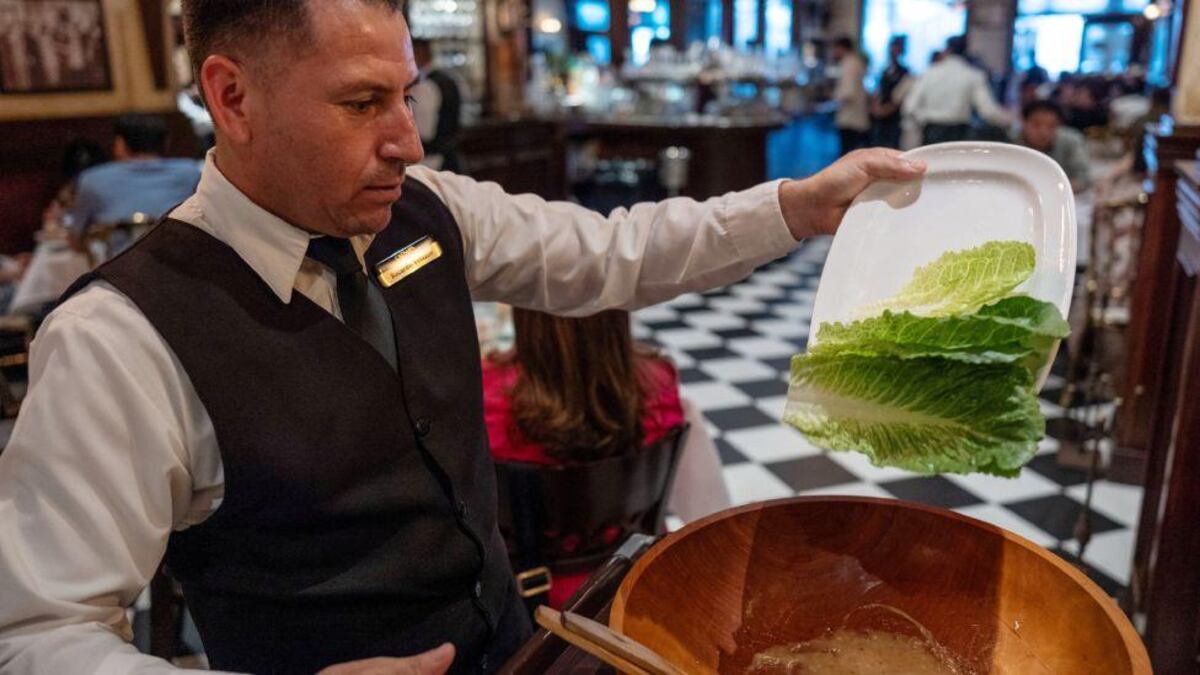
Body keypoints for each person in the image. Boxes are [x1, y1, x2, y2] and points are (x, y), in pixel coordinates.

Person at [0, 1, 925, 673]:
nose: (408, 139)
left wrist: (793, 207)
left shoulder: (428, 207)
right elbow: (38, 632)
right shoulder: (119, 337)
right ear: (232, 97)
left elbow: (615, 252)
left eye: (406, 94)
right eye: (363, 103)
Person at [482, 309, 731, 608]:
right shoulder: (658, 381)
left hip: (527, 596)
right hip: (638, 577)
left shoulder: (484, 392)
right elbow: (704, 505)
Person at [67, 113, 201, 234]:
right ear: (166, 142)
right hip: (179, 250)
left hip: (119, 253)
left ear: (120, 144)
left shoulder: (92, 179)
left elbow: (77, 234)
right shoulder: (191, 172)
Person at [902, 35, 1010, 145]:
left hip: (931, 131)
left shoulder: (929, 73)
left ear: (947, 50)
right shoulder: (973, 75)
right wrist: (1008, 121)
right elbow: (987, 111)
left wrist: (923, 119)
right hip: (958, 134)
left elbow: (910, 106)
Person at [1012, 99, 1092, 193]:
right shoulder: (1010, 143)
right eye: (1036, 125)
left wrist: (1051, 192)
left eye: (1051, 126)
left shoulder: (1071, 141)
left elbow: (1083, 178)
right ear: (1023, 122)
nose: (1043, 132)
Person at [409, 38, 463, 172]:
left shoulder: (425, 86)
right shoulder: (450, 80)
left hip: (432, 162)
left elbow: (424, 133)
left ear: (418, 54)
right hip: (450, 157)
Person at [830, 36, 870, 156]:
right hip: (855, 116)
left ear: (841, 48)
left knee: (847, 155)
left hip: (850, 118)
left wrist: (833, 97)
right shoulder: (855, 62)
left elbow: (848, 92)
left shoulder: (849, 64)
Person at [871, 35, 911, 149]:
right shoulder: (884, 70)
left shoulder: (904, 72)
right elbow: (877, 90)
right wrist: (875, 106)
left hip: (894, 116)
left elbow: (901, 96)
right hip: (880, 115)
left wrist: (886, 109)